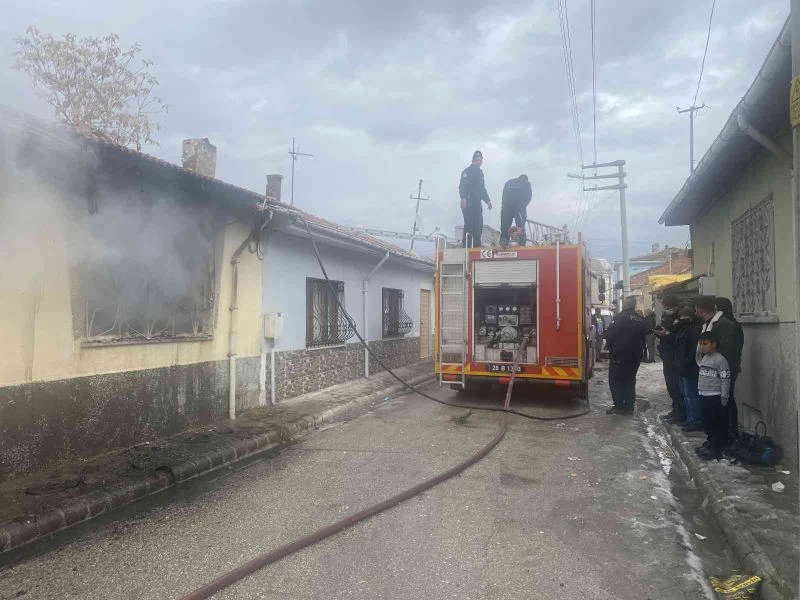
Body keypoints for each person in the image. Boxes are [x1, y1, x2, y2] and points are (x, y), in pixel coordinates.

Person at [694, 296, 740, 446]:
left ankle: (725, 441)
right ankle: (713, 440)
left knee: (723, 410)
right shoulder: (709, 323)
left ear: (699, 310)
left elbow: (728, 352)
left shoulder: (723, 324)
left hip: (721, 375)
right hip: (710, 380)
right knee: (711, 415)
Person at [604, 296, 649, 415]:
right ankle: (629, 406)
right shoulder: (640, 319)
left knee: (616, 380)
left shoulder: (620, 317)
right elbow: (645, 333)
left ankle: (619, 405)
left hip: (620, 355)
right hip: (635, 356)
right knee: (630, 380)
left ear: (625, 305)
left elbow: (610, 334)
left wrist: (611, 348)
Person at [695, 330, 732, 460]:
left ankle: (716, 449)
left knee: (716, 424)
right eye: (700, 344)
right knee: (708, 423)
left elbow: (725, 379)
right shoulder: (704, 358)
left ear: (714, 344)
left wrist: (724, 396)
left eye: (705, 344)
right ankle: (710, 444)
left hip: (715, 396)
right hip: (704, 394)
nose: (702, 346)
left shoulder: (720, 360)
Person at [715, 297, 744, 440]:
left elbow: (730, 349)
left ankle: (730, 431)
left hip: (727, 367)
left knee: (727, 398)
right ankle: (728, 430)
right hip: (731, 366)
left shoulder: (727, 325)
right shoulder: (732, 323)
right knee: (727, 398)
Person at [654, 295, 684, 424]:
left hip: (676, 356)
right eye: (665, 307)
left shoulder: (681, 318)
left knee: (676, 386)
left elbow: (680, 339)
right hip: (666, 354)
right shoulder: (667, 316)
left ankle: (680, 414)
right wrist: (660, 333)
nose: (666, 309)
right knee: (671, 386)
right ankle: (675, 410)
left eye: (668, 307)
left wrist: (667, 334)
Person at [673, 306, 703, 432]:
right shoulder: (683, 328)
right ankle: (688, 418)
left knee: (691, 395)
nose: (681, 319)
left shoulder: (695, 329)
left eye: (683, 317)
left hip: (690, 367)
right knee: (686, 394)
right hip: (682, 366)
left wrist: (687, 361)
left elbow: (693, 349)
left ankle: (694, 420)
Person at [459, 150, 492, 248]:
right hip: (468, 201)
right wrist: (463, 198)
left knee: (479, 224)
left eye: (480, 160)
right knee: (469, 224)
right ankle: (466, 245)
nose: (479, 162)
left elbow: (482, 189)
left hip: (477, 202)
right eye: (477, 160)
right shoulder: (466, 172)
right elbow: (462, 186)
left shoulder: (480, 173)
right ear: (473, 160)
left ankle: (477, 244)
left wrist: (488, 200)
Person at [499, 174, 532, 246]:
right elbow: (529, 197)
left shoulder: (509, 182)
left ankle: (504, 240)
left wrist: (504, 206)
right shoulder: (526, 183)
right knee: (520, 226)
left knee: (505, 225)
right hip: (517, 207)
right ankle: (521, 241)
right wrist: (523, 206)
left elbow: (503, 196)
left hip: (507, 207)